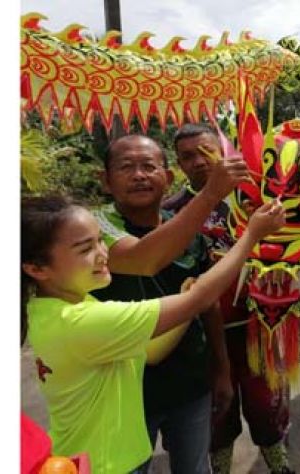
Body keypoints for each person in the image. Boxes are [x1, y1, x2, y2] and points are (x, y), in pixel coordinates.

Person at [21, 194, 284, 474]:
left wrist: (184, 307)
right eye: (85, 248)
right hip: (104, 465)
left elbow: (150, 353)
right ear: (37, 268)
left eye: (100, 240)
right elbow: (202, 297)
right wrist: (252, 235)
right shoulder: (81, 321)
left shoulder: (55, 308)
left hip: (87, 457)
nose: (103, 253)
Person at [89, 134, 231, 473]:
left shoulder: (189, 232)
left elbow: (208, 303)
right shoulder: (91, 231)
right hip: (121, 392)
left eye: (149, 167)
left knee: (195, 468)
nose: (139, 175)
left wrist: (222, 370)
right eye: (126, 167)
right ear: (106, 181)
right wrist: (213, 193)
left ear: (167, 179)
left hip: (189, 385)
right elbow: (143, 259)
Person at [164, 123, 296, 474]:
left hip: (257, 323)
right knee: (216, 409)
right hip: (201, 332)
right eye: (187, 157)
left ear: (223, 151)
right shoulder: (171, 212)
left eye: (206, 151)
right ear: (178, 164)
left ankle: (279, 462)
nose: (198, 162)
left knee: (267, 403)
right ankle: (220, 467)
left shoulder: (255, 200)